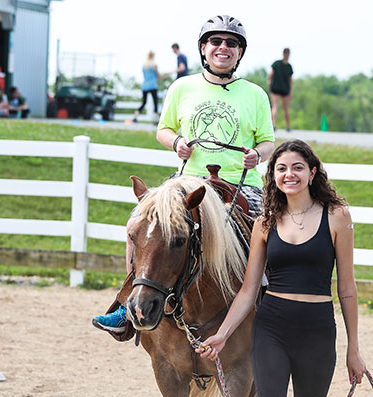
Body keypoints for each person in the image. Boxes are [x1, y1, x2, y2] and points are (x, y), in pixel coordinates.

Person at [93, 15, 275, 332]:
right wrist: (177, 143)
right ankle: (128, 306)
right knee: (138, 221)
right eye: (216, 41)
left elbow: (269, 141)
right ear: (204, 49)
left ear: (239, 53)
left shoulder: (255, 94)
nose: (224, 47)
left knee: (273, 232)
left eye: (231, 43)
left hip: (240, 184)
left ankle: (274, 308)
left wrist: (256, 154)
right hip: (191, 182)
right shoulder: (182, 87)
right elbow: (163, 130)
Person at [196, 139, 366, 397]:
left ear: (312, 173)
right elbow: (249, 290)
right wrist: (223, 335)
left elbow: (347, 289)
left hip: (318, 332)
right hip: (271, 331)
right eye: (282, 168)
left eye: (298, 168)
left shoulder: (337, 216)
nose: (290, 174)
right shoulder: (264, 222)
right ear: (273, 175)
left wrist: (354, 349)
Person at [268, 47, 293, 132]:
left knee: (275, 106)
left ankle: (273, 125)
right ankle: (288, 126)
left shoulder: (276, 64)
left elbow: (270, 74)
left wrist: (269, 83)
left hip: (275, 88)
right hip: (285, 89)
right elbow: (290, 80)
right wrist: (290, 91)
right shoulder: (289, 66)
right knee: (285, 108)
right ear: (288, 54)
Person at [133, 51, 159, 122]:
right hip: (153, 86)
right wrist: (165, 77)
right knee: (155, 103)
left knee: (144, 102)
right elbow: (158, 76)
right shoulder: (154, 65)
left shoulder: (144, 65)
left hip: (145, 86)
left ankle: (135, 116)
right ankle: (155, 120)